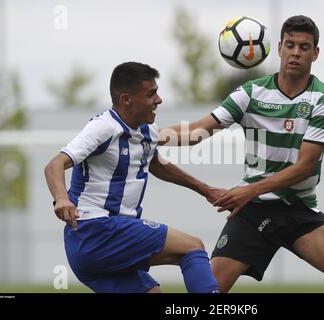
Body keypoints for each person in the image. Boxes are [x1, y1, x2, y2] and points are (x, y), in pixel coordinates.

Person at [160, 16, 324, 293]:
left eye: (304, 47)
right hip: (253, 210)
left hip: (298, 207)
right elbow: (199, 130)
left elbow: (304, 167)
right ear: (279, 48)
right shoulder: (250, 93)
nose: (295, 52)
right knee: (209, 291)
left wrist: (250, 190)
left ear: (315, 54)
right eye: (290, 45)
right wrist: (148, 135)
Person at [44, 62, 221, 293]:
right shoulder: (103, 127)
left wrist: (205, 189)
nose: (159, 99)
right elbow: (54, 164)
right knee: (192, 247)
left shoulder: (147, 130)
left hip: (97, 246)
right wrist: (62, 199)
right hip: (96, 230)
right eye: (151, 93)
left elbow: (158, 164)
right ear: (127, 99)